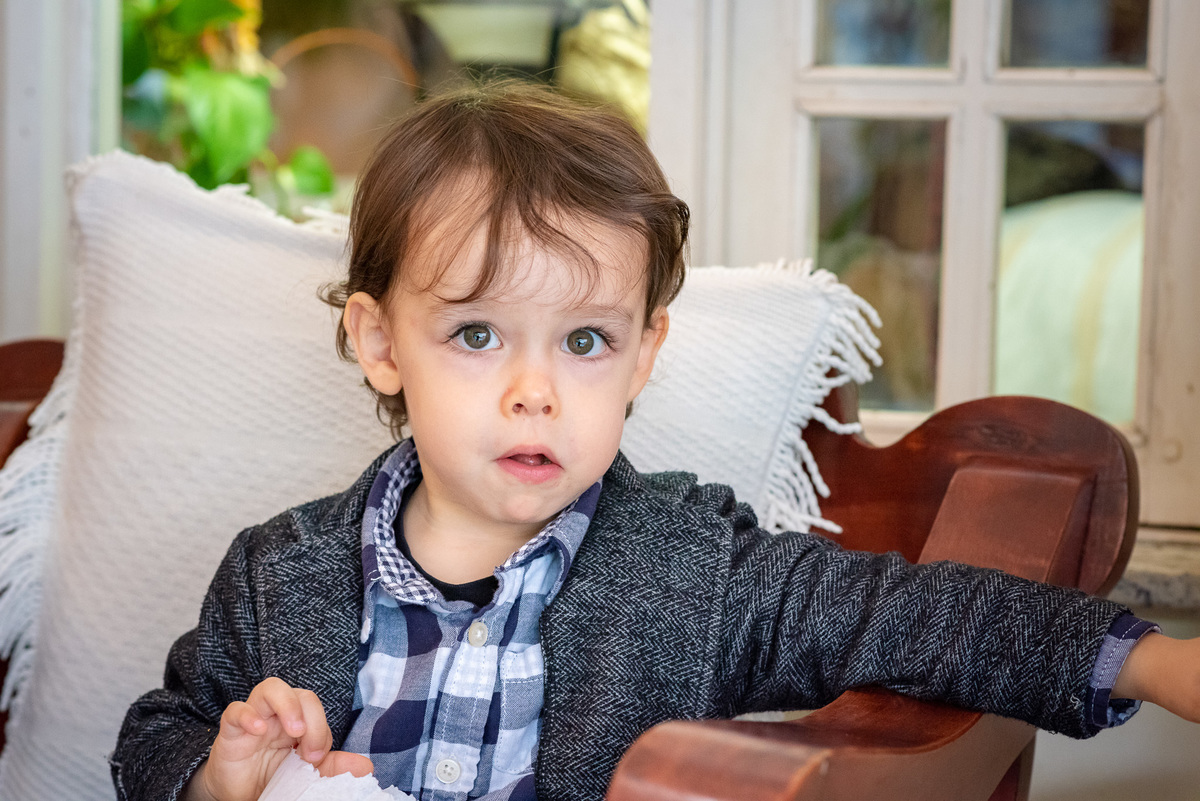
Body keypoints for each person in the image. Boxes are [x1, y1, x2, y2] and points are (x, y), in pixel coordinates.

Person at [111, 81, 1200, 801]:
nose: (536, 392)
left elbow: (912, 615)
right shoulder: (279, 571)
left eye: (586, 340)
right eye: (478, 333)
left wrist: (1150, 661)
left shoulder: (692, 566)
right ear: (380, 341)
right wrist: (221, 772)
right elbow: (156, 733)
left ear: (642, 356)